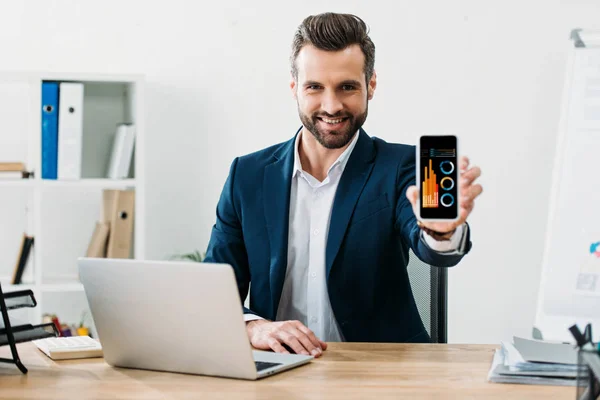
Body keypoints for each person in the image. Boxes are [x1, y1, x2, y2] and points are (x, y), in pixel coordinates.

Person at [204, 12, 483, 358]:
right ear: (295, 89)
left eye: (347, 87)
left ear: (371, 85)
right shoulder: (247, 175)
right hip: (281, 371)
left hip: (383, 371)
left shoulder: (400, 167)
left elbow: (428, 244)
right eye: (315, 87)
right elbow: (215, 291)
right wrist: (252, 325)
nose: (331, 106)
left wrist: (439, 233)